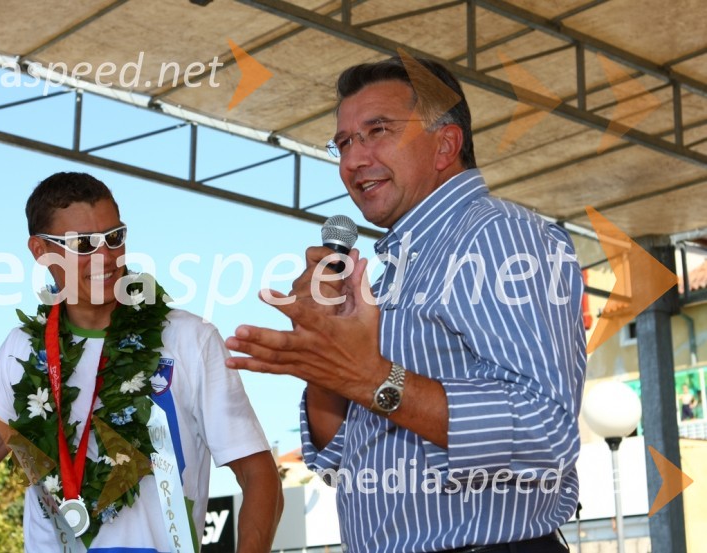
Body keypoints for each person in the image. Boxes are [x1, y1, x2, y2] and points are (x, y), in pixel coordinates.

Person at [225, 56, 585, 552]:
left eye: (377, 131)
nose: (353, 160)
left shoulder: (498, 236)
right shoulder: (395, 272)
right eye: (344, 142)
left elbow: (545, 433)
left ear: (445, 144)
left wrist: (371, 378)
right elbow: (342, 461)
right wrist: (323, 354)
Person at [0, 172, 282, 552]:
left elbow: (259, 475)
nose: (106, 257)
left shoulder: (189, 338)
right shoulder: (23, 351)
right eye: (84, 244)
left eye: (114, 237)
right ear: (41, 251)